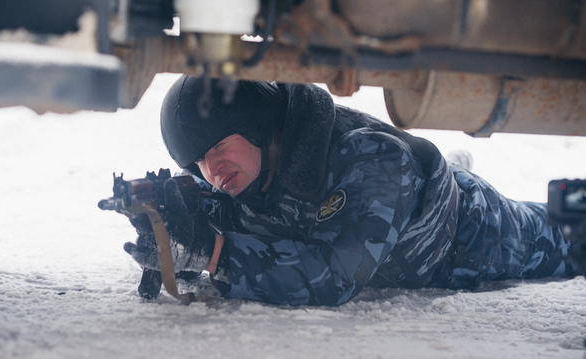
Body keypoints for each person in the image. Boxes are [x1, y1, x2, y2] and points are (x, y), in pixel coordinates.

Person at [123, 75, 576, 306]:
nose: (213, 169)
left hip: (477, 236)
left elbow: (331, 277)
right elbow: (218, 241)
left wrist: (214, 252)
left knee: (568, 234)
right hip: (403, 226)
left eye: (221, 145)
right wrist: (173, 240)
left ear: (261, 127)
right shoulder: (240, 176)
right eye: (199, 161)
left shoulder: (372, 158)